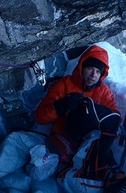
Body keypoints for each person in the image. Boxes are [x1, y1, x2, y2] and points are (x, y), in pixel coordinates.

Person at [35, 45, 121, 179]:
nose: (93, 75)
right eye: (90, 69)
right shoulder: (64, 85)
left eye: (98, 71)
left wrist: (93, 111)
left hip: (88, 141)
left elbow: (114, 118)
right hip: (63, 137)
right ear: (82, 68)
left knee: (96, 158)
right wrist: (62, 106)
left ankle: (112, 179)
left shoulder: (104, 92)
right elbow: (40, 117)